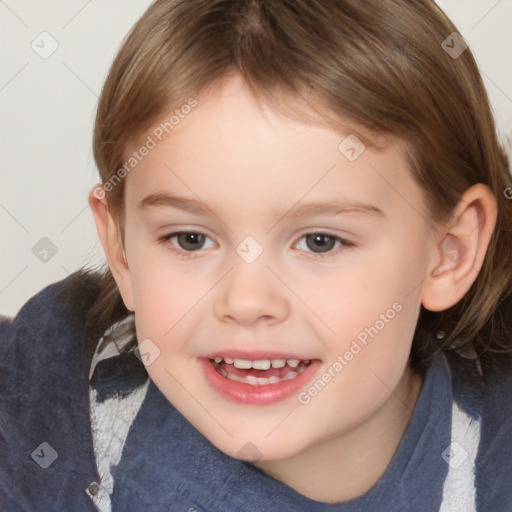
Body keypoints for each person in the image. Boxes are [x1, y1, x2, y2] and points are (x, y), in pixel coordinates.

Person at [1, 0, 511, 510]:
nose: (246, 301)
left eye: (320, 242)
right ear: (122, 249)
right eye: (190, 239)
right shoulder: (39, 401)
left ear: (450, 251)